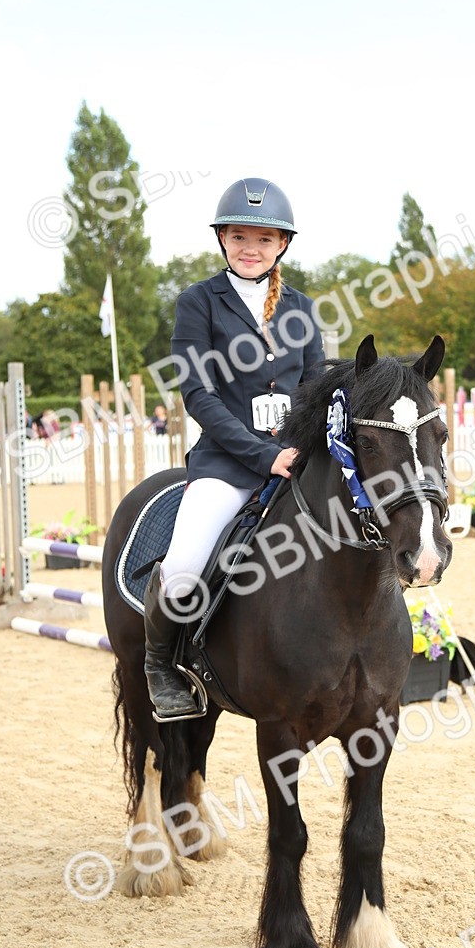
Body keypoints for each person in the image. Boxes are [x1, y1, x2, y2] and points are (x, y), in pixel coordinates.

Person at [144, 178, 325, 720]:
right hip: (227, 465)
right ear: (223, 238)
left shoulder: (301, 307)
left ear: (282, 245)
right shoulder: (197, 302)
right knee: (182, 567)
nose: (252, 247)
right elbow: (198, 394)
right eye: (240, 236)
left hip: (295, 464)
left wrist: (301, 448)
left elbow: (314, 388)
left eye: (264, 239)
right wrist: (261, 454)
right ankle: (160, 666)